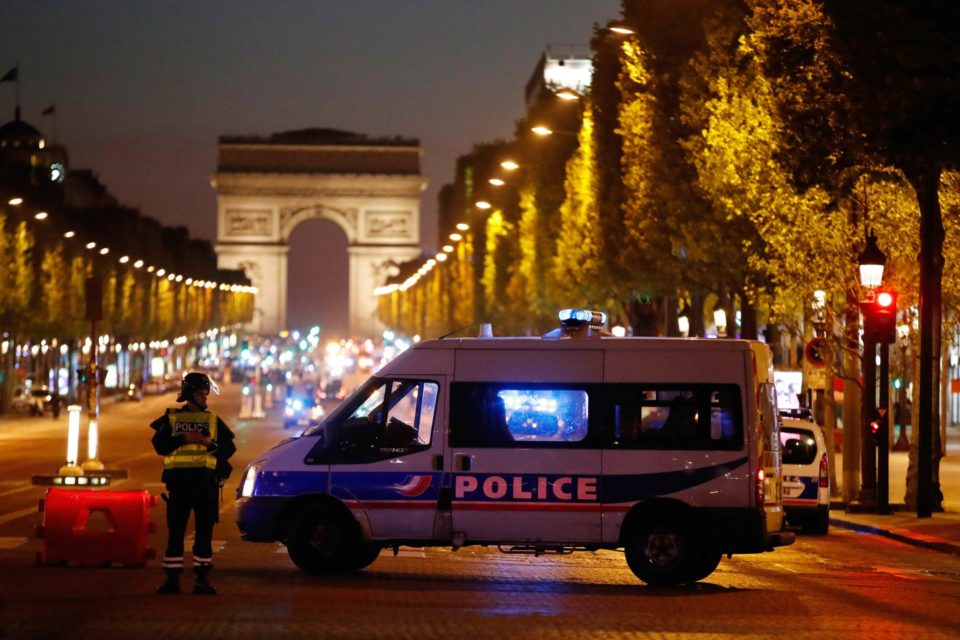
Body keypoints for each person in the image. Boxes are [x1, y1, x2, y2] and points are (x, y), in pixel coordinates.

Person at [151, 372, 236, 595]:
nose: (205, 398)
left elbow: (229, 450)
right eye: (201, 393)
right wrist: (183, 439)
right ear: (190, 394)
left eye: (206, 393)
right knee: (176, 533)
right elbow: (159, 446)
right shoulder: (173, 419)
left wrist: (209, 443)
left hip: (204, 485)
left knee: (204, 534)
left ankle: (202, 579)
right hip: (180, 485)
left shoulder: (212, 421)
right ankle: (172, 580)